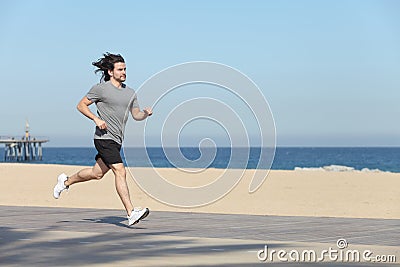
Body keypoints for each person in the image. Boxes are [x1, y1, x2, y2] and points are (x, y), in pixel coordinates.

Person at [53, 53, 152, 226]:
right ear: (110, 71)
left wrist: (145, 113)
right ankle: (131, 213)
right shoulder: (101, 89)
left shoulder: (130, 93)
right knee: (120, 171)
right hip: (103, 138)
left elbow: (136, 115)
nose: (124, 72)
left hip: (117, 140)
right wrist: (96, 119)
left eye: (125, 69)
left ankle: (65, 181)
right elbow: (81, 105)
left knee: (96, 174)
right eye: (120, 69)